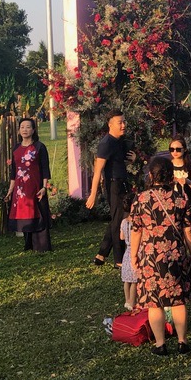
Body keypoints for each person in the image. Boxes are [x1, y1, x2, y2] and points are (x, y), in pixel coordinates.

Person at [131, 156, 191, 356]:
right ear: (171, 175)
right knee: (178, 300)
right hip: (176, 253)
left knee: (154, 302)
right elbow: (188, 229)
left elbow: (136, 230)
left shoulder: (141, 199)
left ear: (151, 175)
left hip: (151, 256)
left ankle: (160, 344)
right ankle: (182, 341)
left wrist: (134, 255)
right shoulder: (180, 198)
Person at [85, 109, 137, 267]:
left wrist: (132, 160)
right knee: (118, 220)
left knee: (118, 217)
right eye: (120, 122)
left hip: (123, 182)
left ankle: (102, 254)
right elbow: (98, 170)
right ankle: (119, 259)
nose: (123, 125)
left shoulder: (120, 141)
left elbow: (120, 162)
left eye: (124, 121)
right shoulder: (106, 143)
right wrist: (93, 193)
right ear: (110, 125)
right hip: (113, 184)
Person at [5, 117, 53, 252]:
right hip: (20, 189)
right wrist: (10, 190)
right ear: (19, 131)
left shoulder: (39, 147)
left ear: (33, 130)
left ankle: (41, 245)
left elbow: (45, 168)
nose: (25, 130)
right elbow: (14, 171)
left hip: (35, 186)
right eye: (22, 127)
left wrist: (44, 187)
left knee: (38, 213)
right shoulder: (16, 148)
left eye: (28, 127)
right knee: (24, 214)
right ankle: (28, 244)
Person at [119, 193, 138, 310]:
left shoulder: (124, 222)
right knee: (134, 280)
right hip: (135, 251)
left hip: (126, 252)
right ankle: (132, 302)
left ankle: (127, 301)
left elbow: (121, 237)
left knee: (126, 280)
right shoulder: (136, 222)